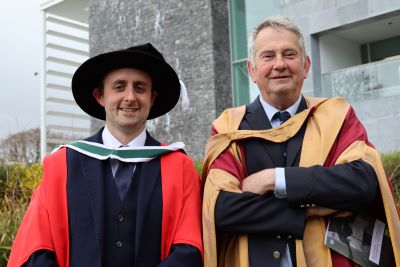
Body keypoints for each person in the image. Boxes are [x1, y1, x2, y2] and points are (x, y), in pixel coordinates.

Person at [202, 16, 400, 267]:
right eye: (268, 56)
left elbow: (362, 183)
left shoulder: (336, 117)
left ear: (305, 66)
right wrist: (310, 210)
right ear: (252, 70)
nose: (279, 64)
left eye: (289, 54)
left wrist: (275, 178)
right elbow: (222, 208)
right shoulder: (228, 127)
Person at [8, 43, 203, 267]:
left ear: (152, 98)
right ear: (100, 96)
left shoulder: (179, 167)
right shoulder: (62, 165)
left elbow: (190, 248)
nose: (130, 97)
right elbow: (36, 247)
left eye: (140, 88)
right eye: (119, 87)